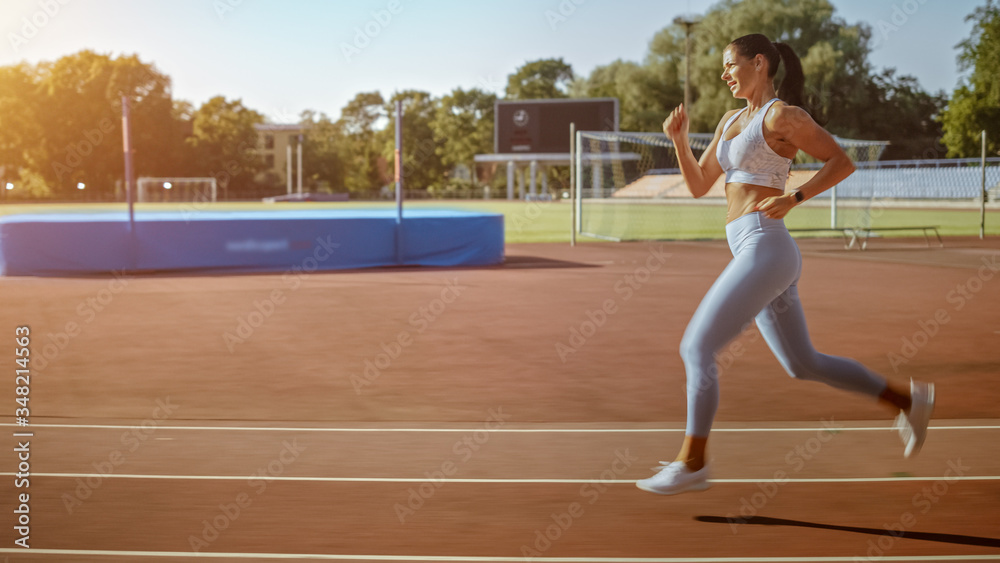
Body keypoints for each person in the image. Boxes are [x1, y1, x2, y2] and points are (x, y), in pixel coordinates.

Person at [635, 34, 935, 496]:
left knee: (696, 348)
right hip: (756, 252)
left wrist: (794, 197)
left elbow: (841, 161)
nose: (724, 73)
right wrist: (677, 141)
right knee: (803, 363)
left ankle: (692, 462)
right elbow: (699, 185)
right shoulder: (731, 120)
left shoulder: (783, 116)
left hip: (766, 247)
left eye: (730, 64)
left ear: (759, 63)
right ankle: (907, 400)